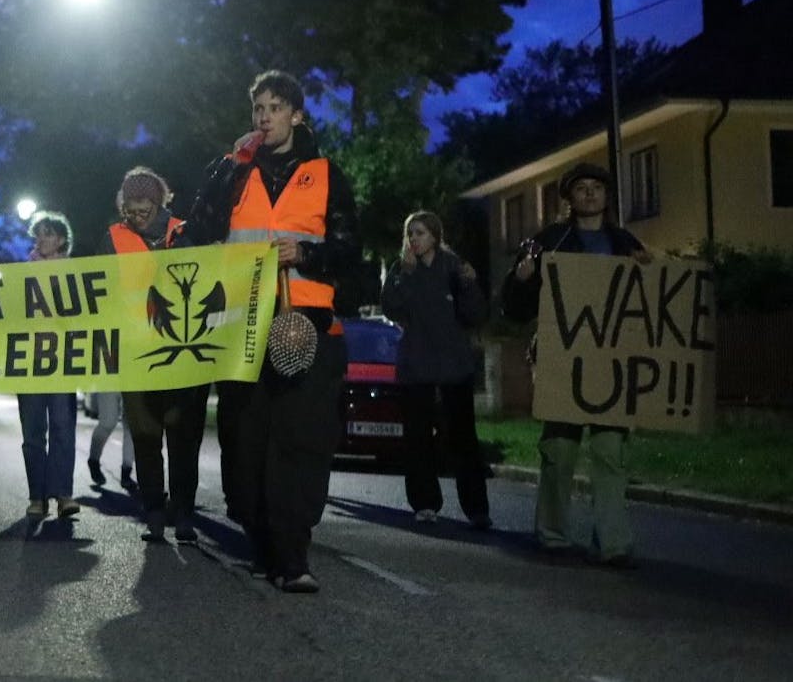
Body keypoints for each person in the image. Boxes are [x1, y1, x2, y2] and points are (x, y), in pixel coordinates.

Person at [181, 70, 360, 594]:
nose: (264, 117)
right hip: (242, 323)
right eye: (258, 108)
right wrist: (227, 168)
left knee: (300, 440)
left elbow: (353, 251)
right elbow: (198, 231)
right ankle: (259, 537)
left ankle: (293, 554)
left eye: (275, 107)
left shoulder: (327, 174)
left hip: (310, 326)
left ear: (296, 115)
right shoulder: (234, 172)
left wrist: (306, 253)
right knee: (245, 440)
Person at [503, 162, 649, 569]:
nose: (589, 194)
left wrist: (647, 271)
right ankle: (552, 535)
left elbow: (644, 303)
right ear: (569, 198)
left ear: (606, 196)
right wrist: (523, 278)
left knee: (610, 453)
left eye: (596, 188)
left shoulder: (624, 242)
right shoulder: (547, 241)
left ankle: (613, 543)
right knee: (560, 452)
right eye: (581, 188)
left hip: (611, 362)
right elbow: (513, 307)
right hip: (564, 361)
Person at [99, 168, 202, 539]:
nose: (136, 218)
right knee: (144, 434)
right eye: (130, 211)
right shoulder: (114, 237)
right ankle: (155, 512)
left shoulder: (184, 232)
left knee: (181, 433)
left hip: (181, 352)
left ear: (158, 203)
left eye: (144, 211)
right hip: (135, 352)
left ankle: (184, 512)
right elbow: (102, 290)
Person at [380, 210, 490, 529]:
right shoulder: (404, 269)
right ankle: (425, 502)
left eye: (421, 233)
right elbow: (391, 307)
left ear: (435, 236)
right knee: (418, 438)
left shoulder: (454, 267)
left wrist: (470, 284)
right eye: (411, 234)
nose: (414, 239)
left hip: (454, 365)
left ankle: (477, 508)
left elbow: (474, 314)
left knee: (463, 439)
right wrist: (403, 276)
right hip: (416, 366)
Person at [18, 211, 81, 521]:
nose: (42, 239)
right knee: (33, 432)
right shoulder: (22, 274)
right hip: (28, 361)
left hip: (63, 360)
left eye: (49, 234)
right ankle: (37, 496)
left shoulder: (77, 273)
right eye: (39, 233)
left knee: (62, 427)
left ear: (61, 239)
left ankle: (63, 494)